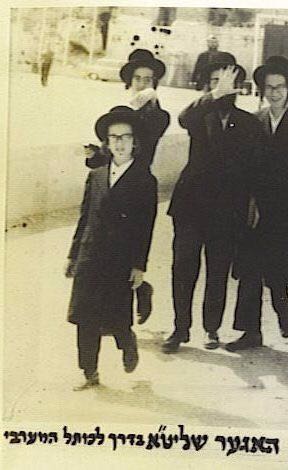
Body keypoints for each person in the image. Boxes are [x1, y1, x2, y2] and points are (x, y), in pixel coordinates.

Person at [163, 53, 265, 353]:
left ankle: (211, 328)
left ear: (238, 86)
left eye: (227, 82)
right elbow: (183, 119)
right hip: (190, 206)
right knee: (183, 267)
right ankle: (180, 328)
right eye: (215, 81)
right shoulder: (200, 115)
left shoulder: (248, 123)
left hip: (227, 210)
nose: (222, 87)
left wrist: (251, 204)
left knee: (217, 272)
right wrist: (214, 95)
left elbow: (254, 168)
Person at [225, 56, 288, 351]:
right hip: (254, 209)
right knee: (249, 270)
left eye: (280, 87)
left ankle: (282, 303)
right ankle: (250, 332)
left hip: (285, 210)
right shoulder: (254, 121)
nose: (274, 92)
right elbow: (243, 166)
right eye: (269, 87)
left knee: (276, 268)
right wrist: (248, 202)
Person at [65, 106, 158, 390]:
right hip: (90, 254)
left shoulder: (144, 180)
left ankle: (127, 342)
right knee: (85, 316)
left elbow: (145, 227)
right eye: (114, 137)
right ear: (106, 142)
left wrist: (139, 266)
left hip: (120, 259)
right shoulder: (96, 175)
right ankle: (89, 372)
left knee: (116, 315)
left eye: (125, 137)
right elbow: (85, 217)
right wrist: (73, 255)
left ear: (135, 142)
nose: (119, 143)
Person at [85, 49, 170, 169]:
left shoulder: (160, 116)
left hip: (139, 176)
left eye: (147, 80)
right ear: (130, 81)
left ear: (154, 83)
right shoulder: (118, 111)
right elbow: (106, 154)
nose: (142, 84)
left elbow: (149, 138)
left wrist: (153, 103)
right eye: (137, 79)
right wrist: (93, 155)